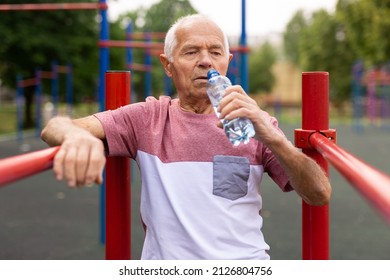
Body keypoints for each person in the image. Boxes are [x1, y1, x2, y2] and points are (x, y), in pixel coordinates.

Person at [41, 14, 331, 260]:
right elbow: (54, 127)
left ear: (227, 62)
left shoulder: (256, 121)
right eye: (192, 52)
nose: (206, 61)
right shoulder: (149, 118)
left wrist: (273, 138)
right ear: (168, 65)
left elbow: (319, 194)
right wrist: (77, 137)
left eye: (215, 52)